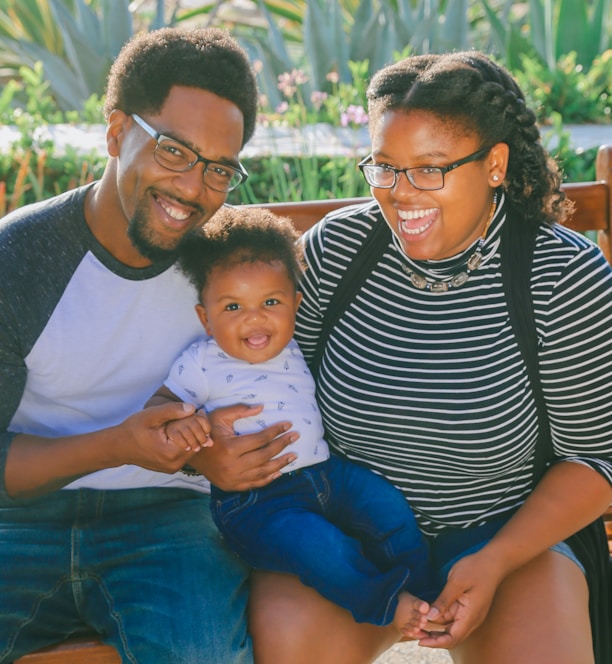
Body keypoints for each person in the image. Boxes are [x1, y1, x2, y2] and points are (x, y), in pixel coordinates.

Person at [241, 51, 612, 664]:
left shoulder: (560, 276)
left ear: (495, 164)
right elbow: (265, 378)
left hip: (506, 535)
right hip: (348, 540)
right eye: (384, 168)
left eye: (430, 169)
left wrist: (494, 561)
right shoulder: (338, 252)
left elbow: (594, 461)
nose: (399, 194)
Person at [0, 27, 297, 663]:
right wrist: (117, 445)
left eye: (219, 168)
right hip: (17, 521)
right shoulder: (18, 259)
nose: (194, 189)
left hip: (171, 521)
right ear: (116, 134)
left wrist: (208, 459)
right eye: (173, 152)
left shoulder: (227, 273)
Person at [146, 205, 438, 629]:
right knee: (322, 548)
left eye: (270, 302)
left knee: (386, 507)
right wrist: (183, 423)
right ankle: (386, 603)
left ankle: (426, 591)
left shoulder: (295, 345)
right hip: (256, 502)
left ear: (294, 305)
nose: (255, 317)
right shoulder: (201, 363)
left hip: (325, 474)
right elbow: (157, 407)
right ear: (205, 318)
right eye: (232, 308)